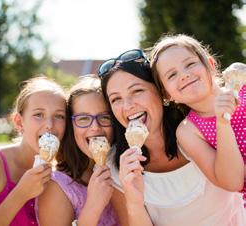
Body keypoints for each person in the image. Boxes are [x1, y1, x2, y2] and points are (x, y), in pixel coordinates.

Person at [98, 49, 246, 226]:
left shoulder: (196, 131)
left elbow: (233, 180)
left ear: (162, 92)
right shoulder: (117, 168)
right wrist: (134, 200)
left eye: (137, 91)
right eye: (116, 99)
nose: (128, 106)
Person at [150, 34, 246, 202]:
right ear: (167, 94)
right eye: (171, 75)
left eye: (190, 64)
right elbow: (233, 182)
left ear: (210, 65)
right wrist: (222, 122)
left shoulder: (243, 87)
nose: (184, 75)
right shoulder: (188, 131)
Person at [0, 76, 67, 225]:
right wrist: (20, 194)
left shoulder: (63, 173)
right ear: (19, 122)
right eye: (38, 114)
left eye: (59, 116)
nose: (50, 124)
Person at [37, 75, 119, 226]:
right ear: (70, 125)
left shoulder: (126, 170)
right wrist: (93, 206)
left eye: (105, 117)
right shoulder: (56, 186)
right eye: (83, 119)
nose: (95, 127)